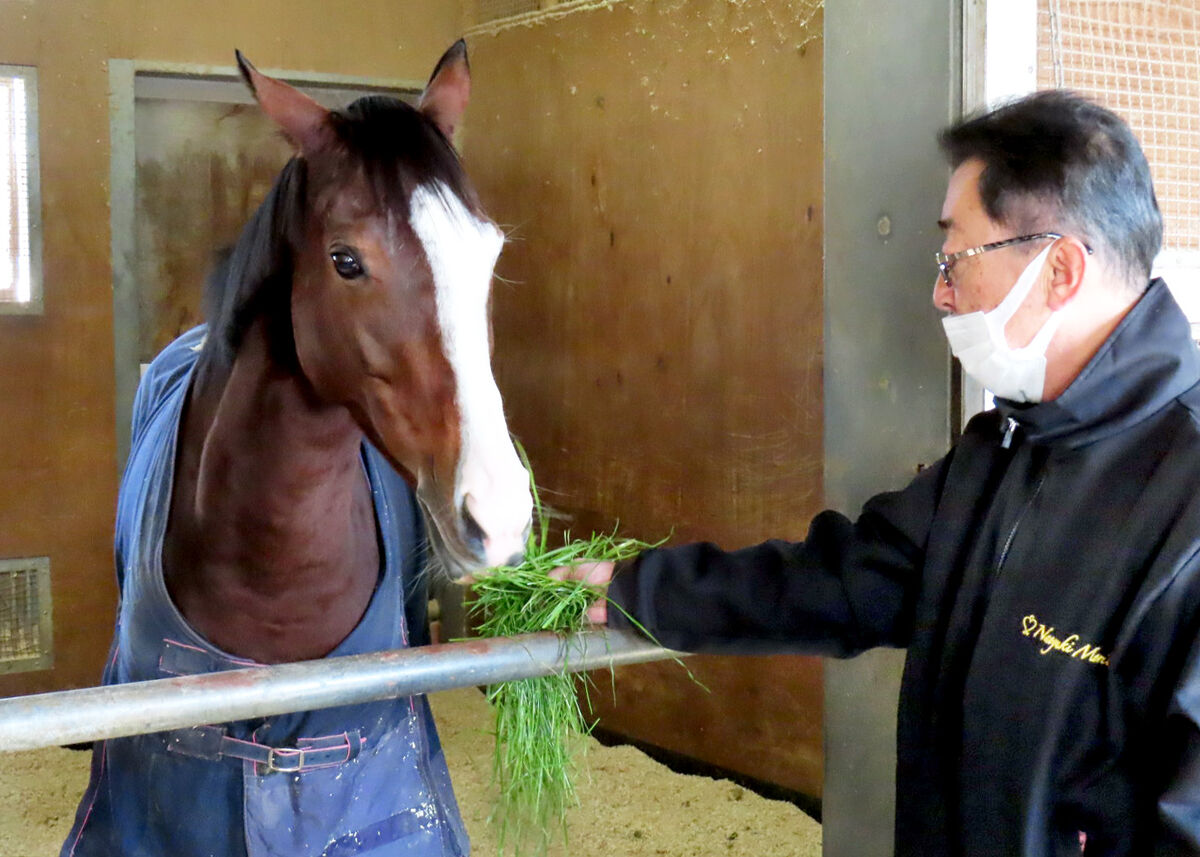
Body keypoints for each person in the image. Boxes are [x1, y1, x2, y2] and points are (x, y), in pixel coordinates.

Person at [557, 91, 1200, 855]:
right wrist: (639, 590)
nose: (940, 292)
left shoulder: (1184, 505)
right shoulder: (1000, 451)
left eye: (957, 257)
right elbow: (840, 582)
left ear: (1059, 269)